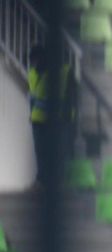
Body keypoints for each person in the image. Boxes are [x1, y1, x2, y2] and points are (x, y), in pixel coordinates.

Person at [28, 43, 76, 186]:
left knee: (58, 152)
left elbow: (71, 95)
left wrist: (69, 115)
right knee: (41, 153)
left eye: (35, 59)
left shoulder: (64, 71)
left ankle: (59, 180)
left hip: (58, 119)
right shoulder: (32, 73)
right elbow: (32, 97)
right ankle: (42, 179)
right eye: (32, 60)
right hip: (38, 120)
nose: (34, 62)